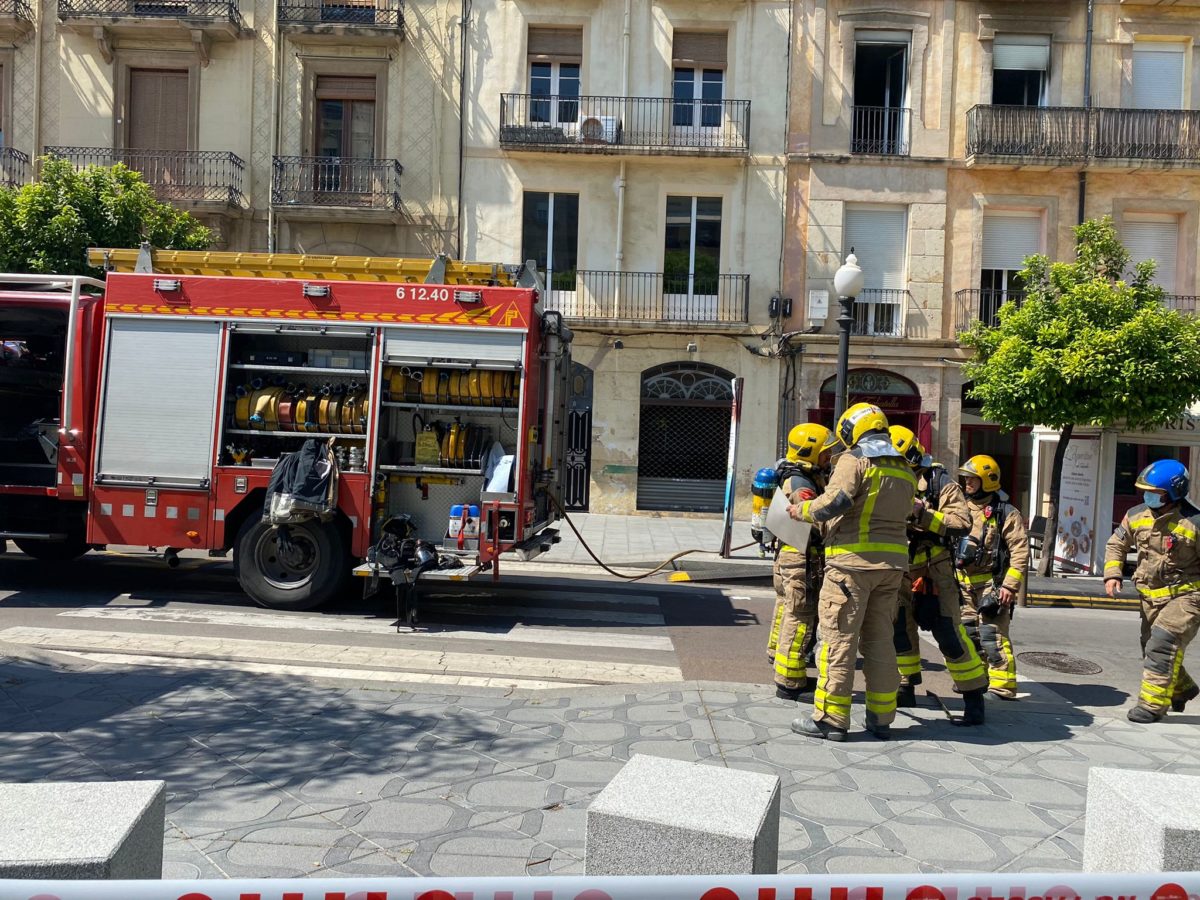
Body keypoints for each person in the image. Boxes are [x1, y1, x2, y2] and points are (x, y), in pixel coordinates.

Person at [787, 402, 915, 741]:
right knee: (880, 642)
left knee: (838, 641)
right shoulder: (905, 468)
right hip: (892, 569)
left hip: (850, 566)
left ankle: (830, 720)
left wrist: (800, 511)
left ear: (853, 429)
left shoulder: (854, 460)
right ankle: (881, 717)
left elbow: (835, 502)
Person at [890, 427, 989, 724]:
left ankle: (974, 699)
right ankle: (906, 686)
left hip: (935, 570)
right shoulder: (888, 478)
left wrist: (922, 513)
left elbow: (961, 522)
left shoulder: (939, 481)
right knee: (900, 632)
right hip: (900, 570)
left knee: (949, 633)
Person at [1103, 460, 1200, 723]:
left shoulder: (1194, 523)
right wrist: (1112, 573)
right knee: (1151, 648)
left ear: (1173, 493)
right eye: (1145, 491)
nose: (1147, 497)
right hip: (1150, 598)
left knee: (1162, 644)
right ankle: (1182, 689)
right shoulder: (1136, 515)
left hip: (1187, 597)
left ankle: (1152, 706)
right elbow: (1116, 544)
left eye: (1154, 493)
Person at [954, 454, 1029, 701]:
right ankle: (976, 679)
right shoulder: (961, 507)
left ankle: (1002, 687)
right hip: (962, 583)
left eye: (972, 480)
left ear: (988, 480)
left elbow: (1019, 550)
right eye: (966, 480)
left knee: (991, 635)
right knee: (967, 634)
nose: (967, 484)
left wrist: (1009, 585)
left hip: (992, 584)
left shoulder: (1005, 513)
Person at [770, 423, 833, 700]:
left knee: (786, 610)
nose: (828, 458)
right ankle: (790, 681)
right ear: (810, 452)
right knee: (801, 617)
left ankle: (778, 657)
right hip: (801, 557)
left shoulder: (796, 475)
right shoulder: (802, 486)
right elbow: (813, 521)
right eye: (824, 453)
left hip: (789, 553)